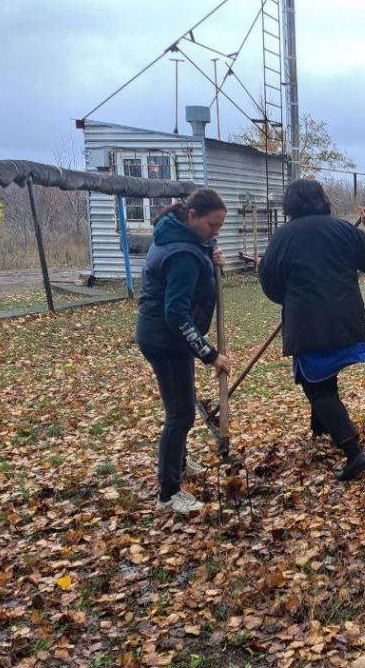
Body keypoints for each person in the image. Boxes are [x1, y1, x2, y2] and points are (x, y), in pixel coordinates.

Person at [260, 179, 365, 481]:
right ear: (322, 200)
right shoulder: (342, 229)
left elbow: (268, 281)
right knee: (321, 375)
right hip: (345, 322)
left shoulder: (283, 236)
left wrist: (290, 299)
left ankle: (352, 452)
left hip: (309, 325)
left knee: (316, 386)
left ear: (289, 205)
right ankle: (321, 429)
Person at [136, 188, 231, 514]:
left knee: (181, 406)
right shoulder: (182, 253)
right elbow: (176, 313)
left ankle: (177, 461)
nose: (215, 232)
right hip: (166, 340)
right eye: (211, 225)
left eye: (220, 226)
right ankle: (168, 492)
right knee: (180, 414)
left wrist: (210, 256)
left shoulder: (183, 239)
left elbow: (196, 266)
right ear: (192, 216)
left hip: (167, 337)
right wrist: (210, 354)